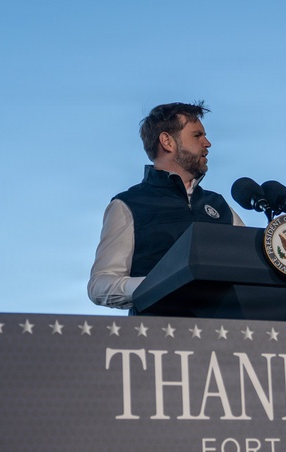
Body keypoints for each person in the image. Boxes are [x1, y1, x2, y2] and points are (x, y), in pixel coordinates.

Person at [88, 101, 245, 310]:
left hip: (227, 337)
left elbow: (248, 267)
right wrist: (163, 284)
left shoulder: (219, 205)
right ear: (167, 141)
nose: (207, 143)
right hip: (159, 337)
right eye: (197, 135)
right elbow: (99, 285)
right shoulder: (128, 205)